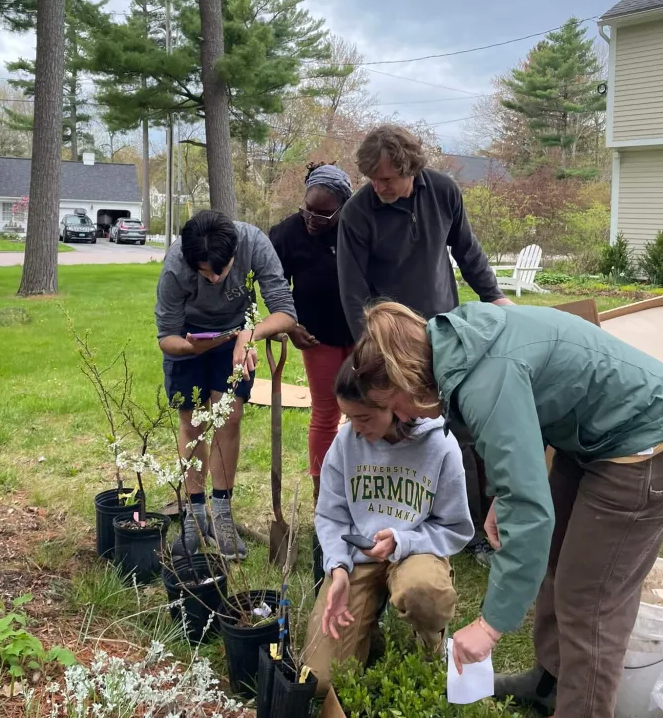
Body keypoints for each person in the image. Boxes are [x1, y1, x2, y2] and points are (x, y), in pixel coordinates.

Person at [349, 299, 663, 718]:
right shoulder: (456, 343)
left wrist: (489, 626)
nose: (401, 418)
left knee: (589, 601)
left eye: (393, 406)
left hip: (641, 441)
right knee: (555, 560)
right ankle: (549, 679)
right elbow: (523, 414)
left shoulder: (484, 380)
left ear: (406, 383)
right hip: (587, 435)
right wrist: (505, 488)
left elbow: (530, 512)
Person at [337, 123, 512, 565]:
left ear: (411, 167)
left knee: (464, 431)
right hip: (392, 345)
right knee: (403, 427)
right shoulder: (359, 213)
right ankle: (401, 521)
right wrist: (371, 352)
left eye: (387, 179)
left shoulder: (443, 193)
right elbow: (353, 291)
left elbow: (467, 251)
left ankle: (470, 531)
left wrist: (495, 297)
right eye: (372, 180)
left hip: (444, 333)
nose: (379, 188)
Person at [302, 358, 473, 695]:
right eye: (348, 417)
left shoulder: (440, 446)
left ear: (394, 406)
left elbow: (455, 528)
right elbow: (331, 515)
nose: (355, 427)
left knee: (423, 590)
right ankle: (368, 626)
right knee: (319, 681)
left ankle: (430, 642)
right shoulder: (346, 441)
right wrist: (337, 568)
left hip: (415, 553)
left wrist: (401, 541)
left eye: (363, 417)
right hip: (357, 558)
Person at [155, 210, 297, 561]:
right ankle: (194, 511)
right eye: (205, 272)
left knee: (229, 417)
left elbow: (285, 313)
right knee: (193, 422)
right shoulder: (175, 266)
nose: (215, 278)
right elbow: (166, 338)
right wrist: (192, 347)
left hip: (237, 335)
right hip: (191, 338)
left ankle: (221, 512)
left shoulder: (254, 243)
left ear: (235, 251)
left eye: (222, 268)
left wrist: (251, 333)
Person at [269, 163, 355, 500]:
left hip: (363, 335)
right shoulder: (286, 234)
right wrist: (291, 325)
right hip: (317, 336)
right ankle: (324, 494)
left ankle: (362, 487)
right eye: (307, 208)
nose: (311, 217)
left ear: (342, 208)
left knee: (370, 408)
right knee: (325, 413)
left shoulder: (356, 228)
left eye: (322, 213)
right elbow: (275, 287)